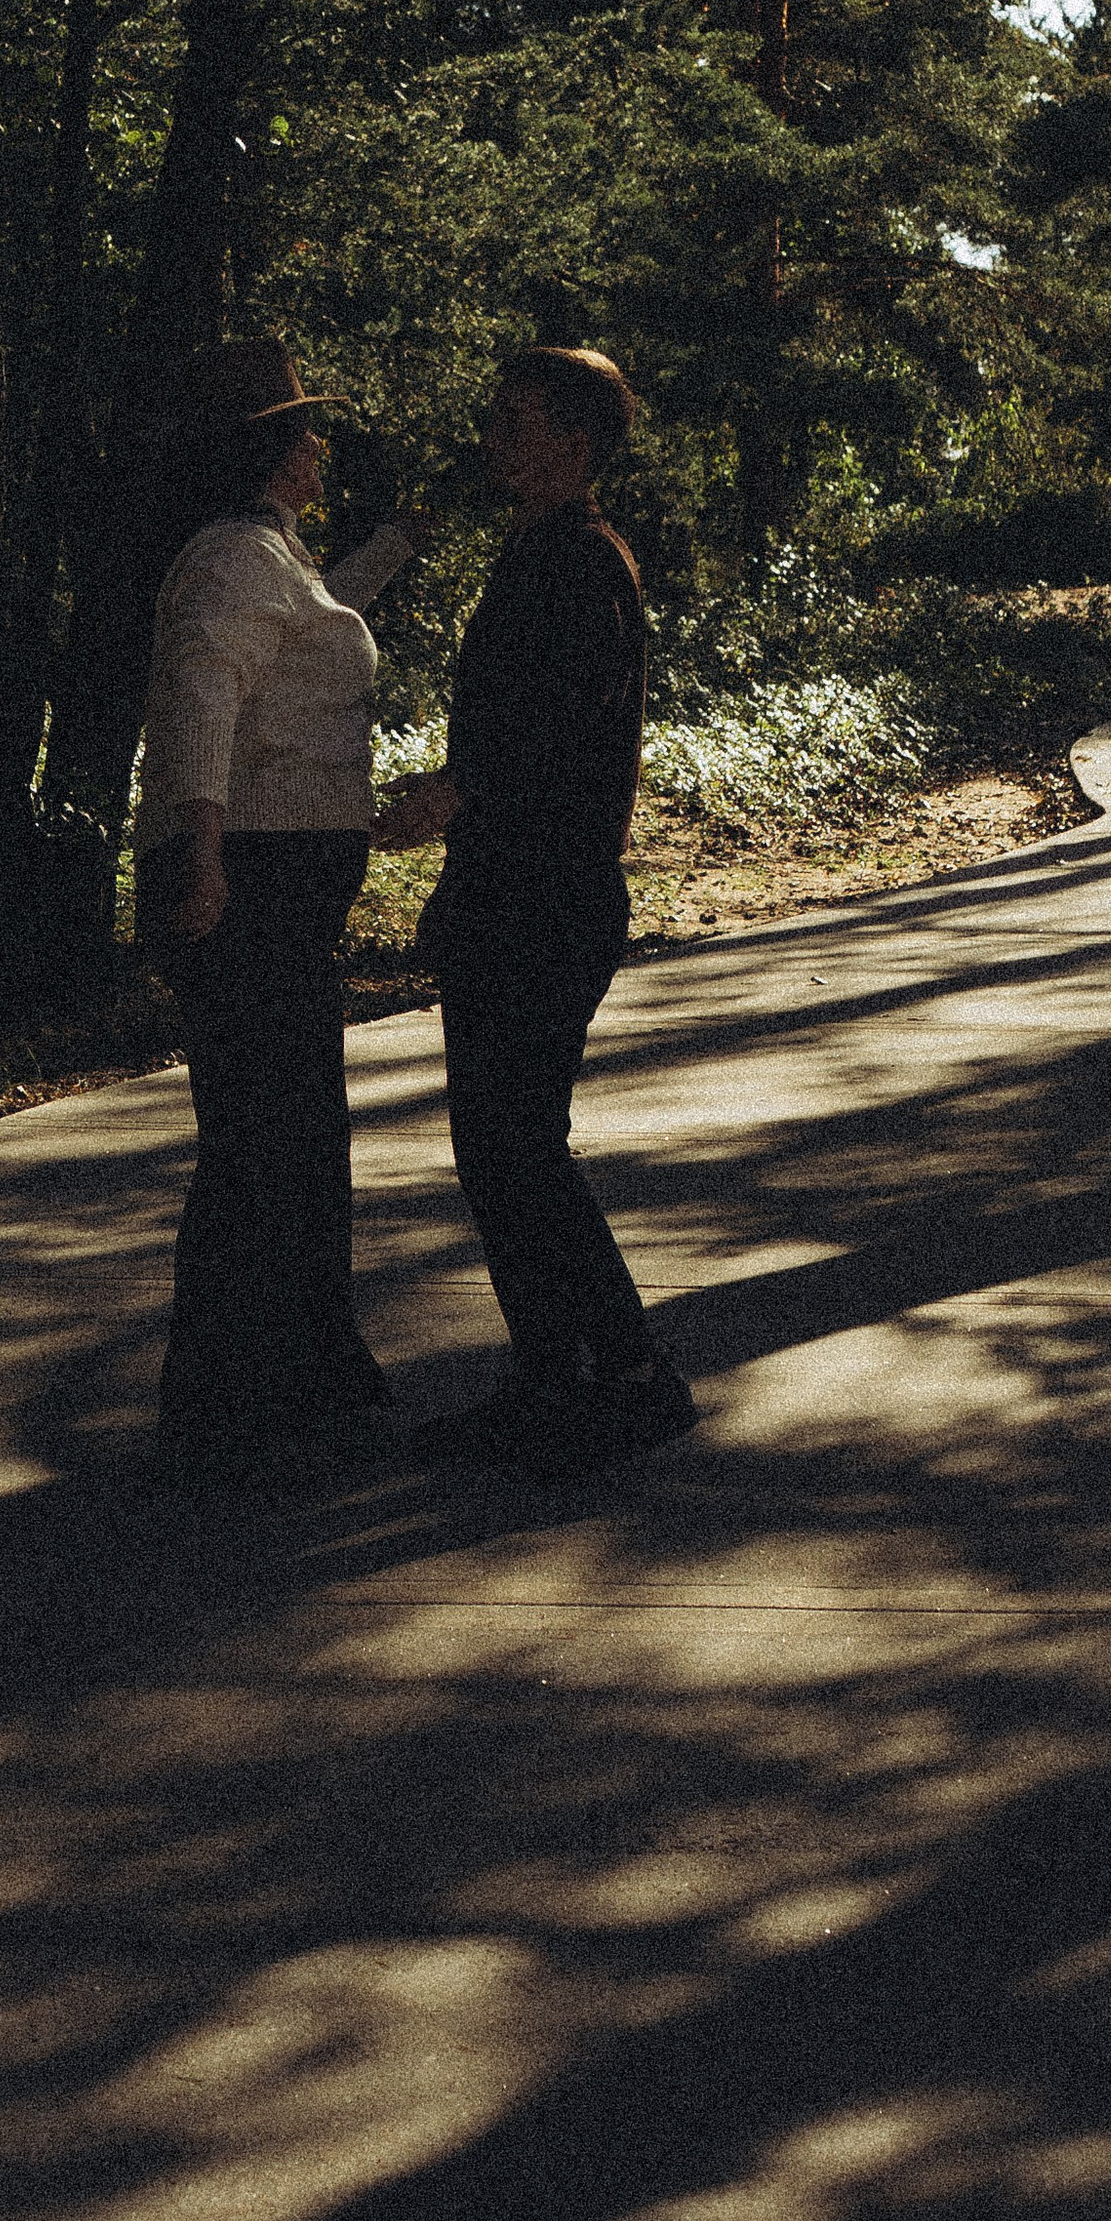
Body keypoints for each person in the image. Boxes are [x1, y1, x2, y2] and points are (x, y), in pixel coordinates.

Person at [374, 345, 695, 1480]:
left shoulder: (577, 561)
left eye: (513, 420)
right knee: (501, 1147)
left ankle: (626, 1373)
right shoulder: (549, 550)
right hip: (517, 886)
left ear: (571, 439)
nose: (493, 438)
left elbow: (555, 724)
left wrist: (454, 795)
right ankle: (561, 1372)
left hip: (546, 894)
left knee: (515, 1146)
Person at [134, 340, 418, 1471]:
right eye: (301, 429)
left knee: (288, 1128)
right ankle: (230, 1391)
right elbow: (202, 707)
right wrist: (202, 860)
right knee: (263, 1133)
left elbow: (309, 621)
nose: (319, 444)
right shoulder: (227, 561)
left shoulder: (266, 558)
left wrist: (397, 546)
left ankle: (292, 1368)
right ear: (259, 448)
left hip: (283, 878)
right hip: (251, 875)